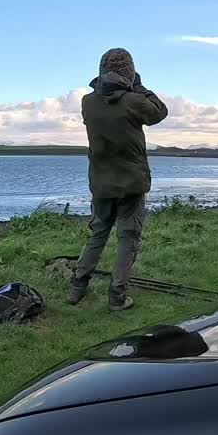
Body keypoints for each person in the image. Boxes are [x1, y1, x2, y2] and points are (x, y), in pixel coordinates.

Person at [68, 48, 169, 311]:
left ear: (101, 70)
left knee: (98, 233)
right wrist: (140, 86)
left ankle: (78, 286)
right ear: (130, 71)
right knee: (128, 238)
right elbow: (160, 112)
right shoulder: (134, 101)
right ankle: (117, 296)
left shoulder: (87, 102)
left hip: (101, 182)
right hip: (132, 182)